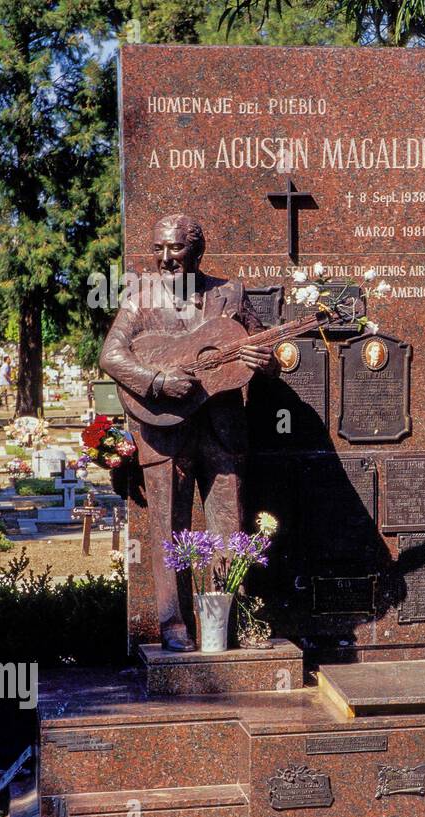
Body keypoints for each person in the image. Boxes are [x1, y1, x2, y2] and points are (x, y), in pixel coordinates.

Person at [100, 213, 277, 651]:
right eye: (159, 248)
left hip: (222, 428)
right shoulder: (138, 299)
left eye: (176, 248)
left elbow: (268, 355)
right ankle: (172, 622)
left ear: (197, 250)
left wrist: (265, 363)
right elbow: (111, 357)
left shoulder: (229, 293)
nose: (166, 258)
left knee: (229, 529)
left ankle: (230, 622)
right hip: (163, 430)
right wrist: (157, 383)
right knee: (168, 529)